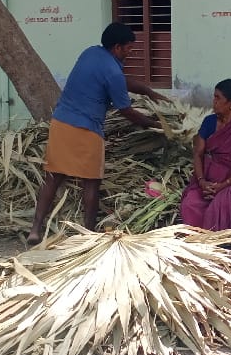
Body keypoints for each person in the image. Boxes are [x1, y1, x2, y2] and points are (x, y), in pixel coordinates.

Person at [27, 22, 166, 245]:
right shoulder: (112, 71)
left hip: (61, 122)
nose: (131, 52)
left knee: (53, 178)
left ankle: (35, 230)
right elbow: (127, 111)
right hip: (87, 129)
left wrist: (149, 91)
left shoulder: (90, 53)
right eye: (129, 48)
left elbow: (121, 80)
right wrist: (158, 125)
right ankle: (88, 236)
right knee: (91, 183)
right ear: (118, 47)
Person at [180, 79, 231, 234]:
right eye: (213, 97)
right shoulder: (209, 122)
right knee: (190, 204)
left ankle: (218, 249)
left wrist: (224, 185)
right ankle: (195, 245)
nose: (213, 102)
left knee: (220, 208)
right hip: (208, 178)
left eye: (218, 98)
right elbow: (198, 153)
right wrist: (202, 181)